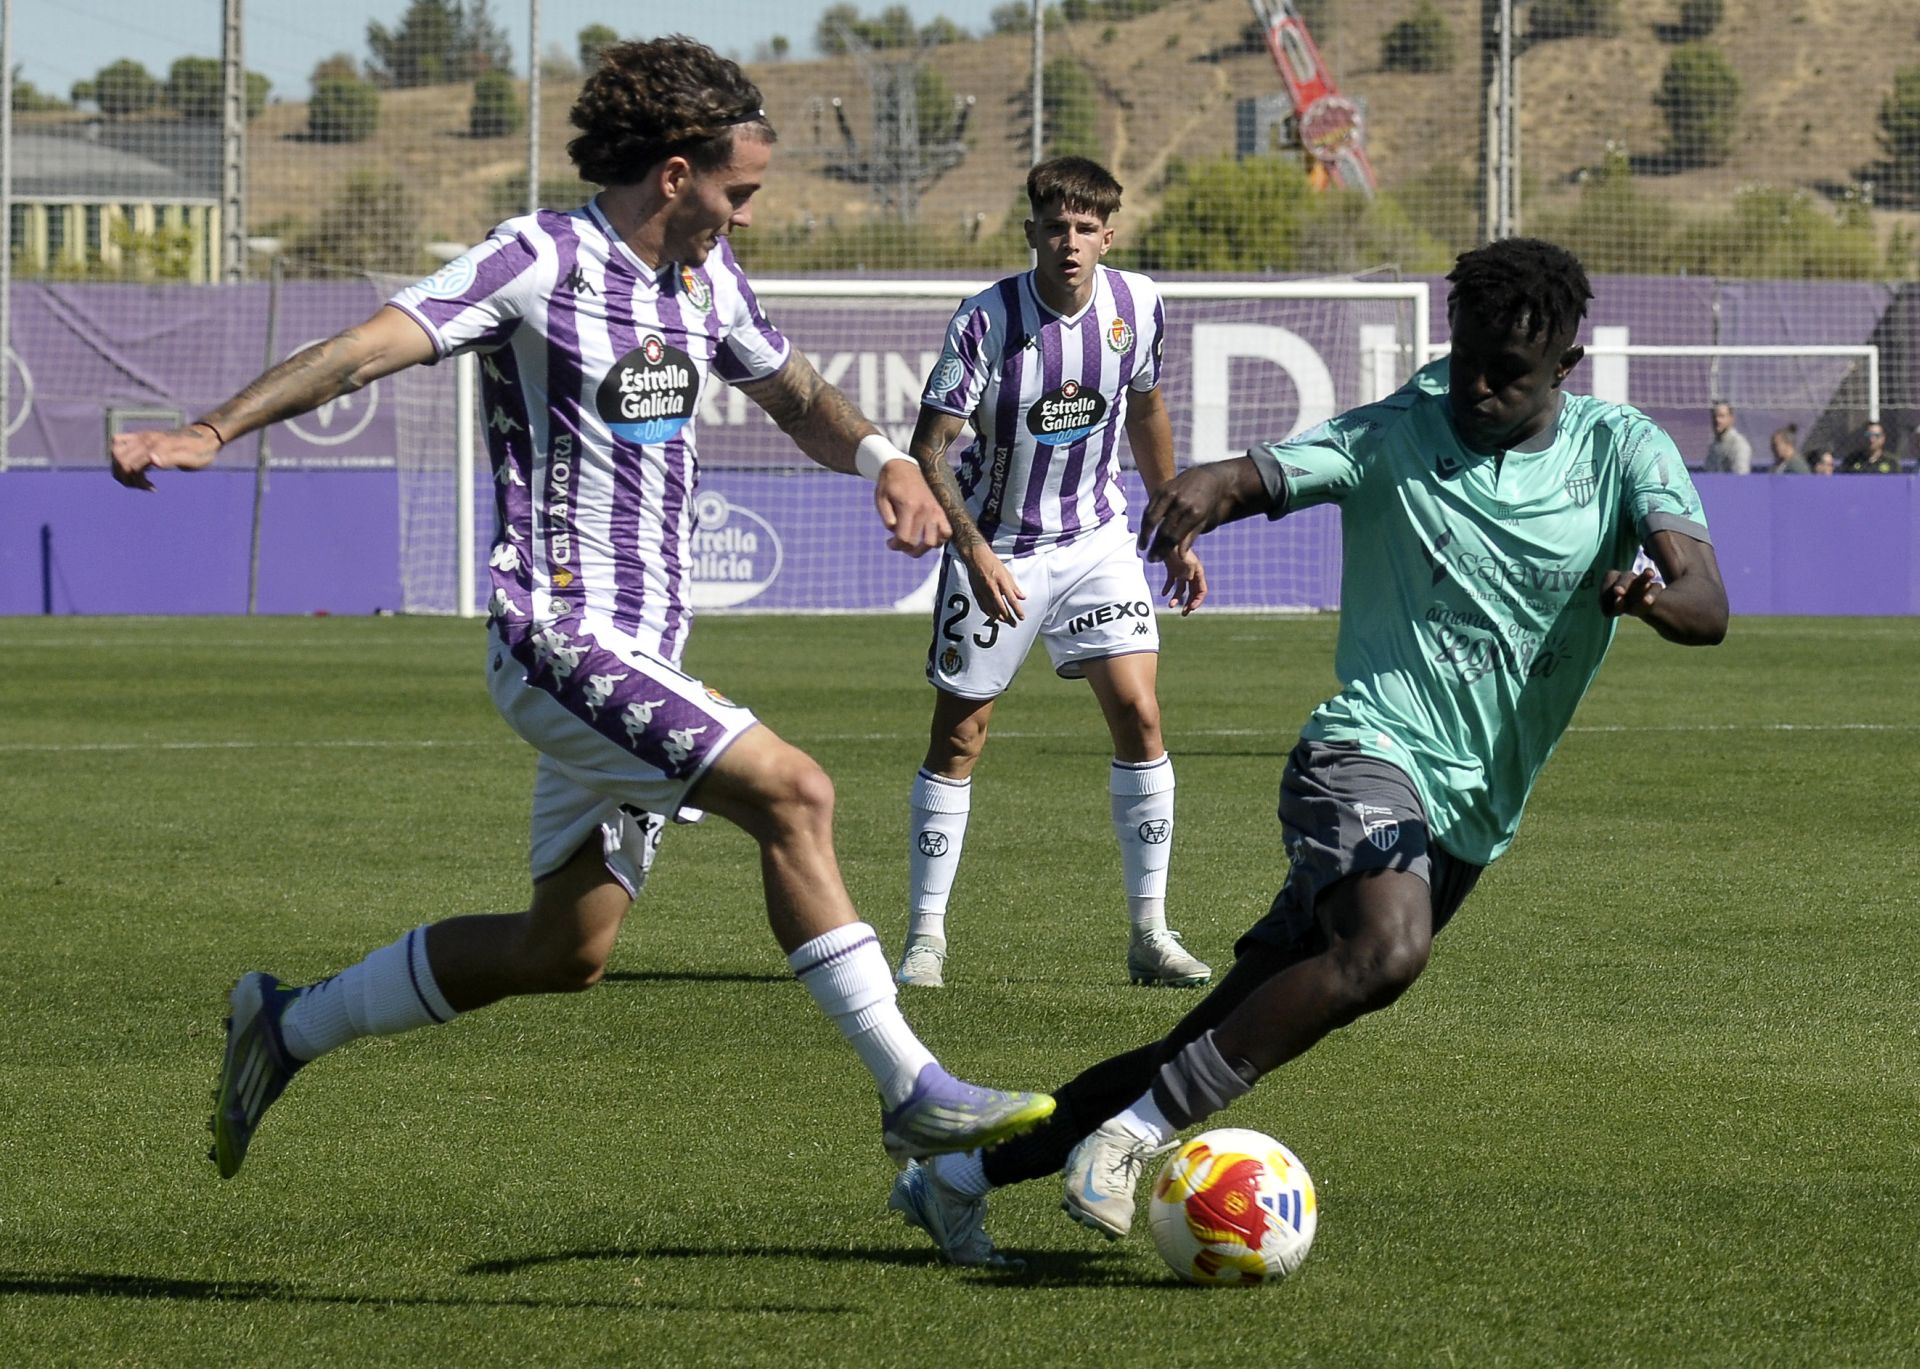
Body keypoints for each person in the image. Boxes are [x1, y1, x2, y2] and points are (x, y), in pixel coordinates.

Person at [108, 36, 1053, 1181]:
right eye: (735, 192)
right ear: (672, 173)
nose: (744, 217)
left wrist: (881, 462)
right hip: (556, 635)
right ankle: (914, 1089)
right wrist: (210, 430)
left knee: (566, 948)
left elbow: (794, 393)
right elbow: (366, 350)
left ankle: (285, 1025)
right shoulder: (539, 257)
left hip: (638, 651)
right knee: (797, 792)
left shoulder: (705, 280)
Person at [886, 237, 1729, 1267]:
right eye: (1464, 358)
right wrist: (1203, 492)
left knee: (1200, 1045)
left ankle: (958, 1179)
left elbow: (1707, 602)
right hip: (1364, 752)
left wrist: (1650, 593)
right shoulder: (1400, 428)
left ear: (1566, 368)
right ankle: (1134, 1138)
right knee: (1385, 951)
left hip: (1469, 812)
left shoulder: (1623, 449)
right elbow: (1265, 474)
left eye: (1507, 375)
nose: (1476, 387)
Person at [891, 156, 1211, 992]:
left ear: (1109, 233)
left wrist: (1172, 527)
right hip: (999, 545)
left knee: (1141, 714)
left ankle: (1150, 932)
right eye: (1054, 227)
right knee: (961, 735)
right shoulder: (986, 320)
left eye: (1085, 228)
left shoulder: (1138, 306)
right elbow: (930, 446)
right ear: (1031, 231)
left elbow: (1145, 408)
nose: (1069, 243)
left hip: (1098, 539)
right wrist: (975, 548)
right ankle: (925, 936)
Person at [1702, 401, 1751, 474]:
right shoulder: (1713, 446)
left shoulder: (1739, 444)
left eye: (1721, 416)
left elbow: (1741, 475)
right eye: (1714, 416)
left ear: (1731, 419)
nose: (1717, 420)